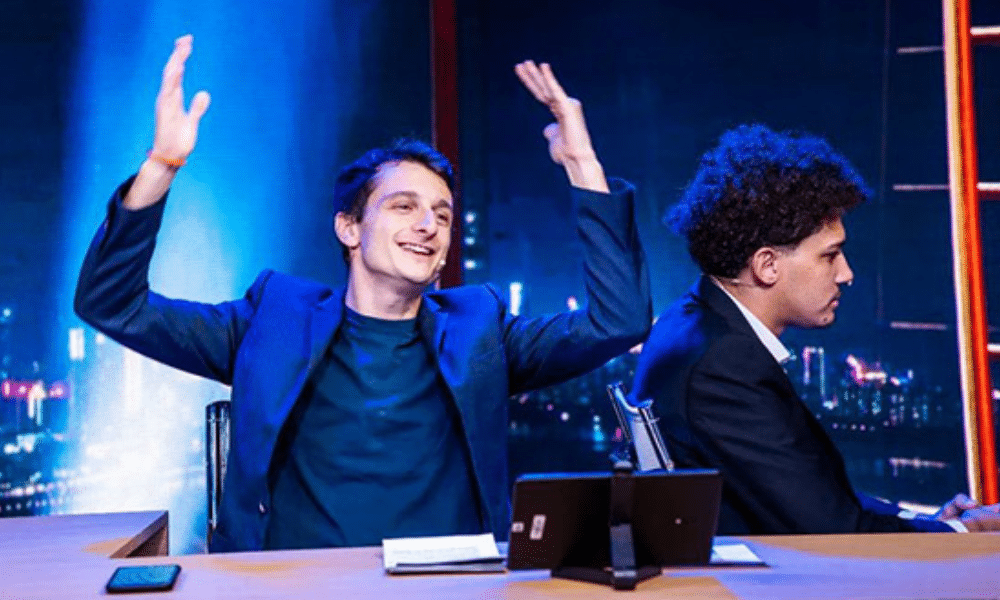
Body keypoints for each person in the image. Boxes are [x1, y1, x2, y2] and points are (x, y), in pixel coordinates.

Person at [74, 35, 651, 552]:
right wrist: (162, 165)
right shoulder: (272, 319)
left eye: (442, 215)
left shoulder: (480, 327)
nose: (428, 225)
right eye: (404, 206)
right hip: (292, 586)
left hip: (447, 587)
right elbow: (110, 303)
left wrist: (581, 163)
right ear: (349, 228)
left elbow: (619, 321)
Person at [631, 123, 1000, 534]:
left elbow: (809, 495)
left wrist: (920, 522)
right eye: (830, 256)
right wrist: (968, 533)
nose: (846, 274)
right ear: (767, 265)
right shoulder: (723, 364)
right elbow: (832, 530)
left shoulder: (692, 324)